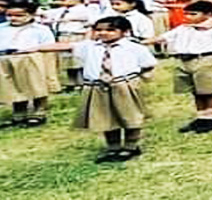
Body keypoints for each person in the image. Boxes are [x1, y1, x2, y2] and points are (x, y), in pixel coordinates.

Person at [25, 16, 158, 162]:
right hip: (97, 87)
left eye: (110, 30)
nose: (103, 33)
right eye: (99, 30)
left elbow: (148, 64)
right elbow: (65, 46)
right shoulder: (90, 46)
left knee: (130, 116)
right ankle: (113, 147)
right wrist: (36, 48)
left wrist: (135, 80)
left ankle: (130, 146)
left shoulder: (134, 47)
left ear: (125, 32)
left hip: (123, 85)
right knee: (105, 117)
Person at [0, 0, 56, 127]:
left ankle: (39, 112)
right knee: (13, 87)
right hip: (4, 58)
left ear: (31, 15)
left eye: (19, 15)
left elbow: (48, 45)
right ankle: (19, 113)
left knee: (34, 86)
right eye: (9, 15)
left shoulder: (39, 29)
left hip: (28, 58)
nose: (14, 18)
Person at [155, 0, 212, 133]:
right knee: (196, 91)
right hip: (184, 61)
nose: (188, 17)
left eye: (193, 14)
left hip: (204, 59)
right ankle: (201, 117)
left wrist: (209, 58)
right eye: (186, 14)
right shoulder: (183, 28)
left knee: (208, 91)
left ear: (208, 14)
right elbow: (163, 38)